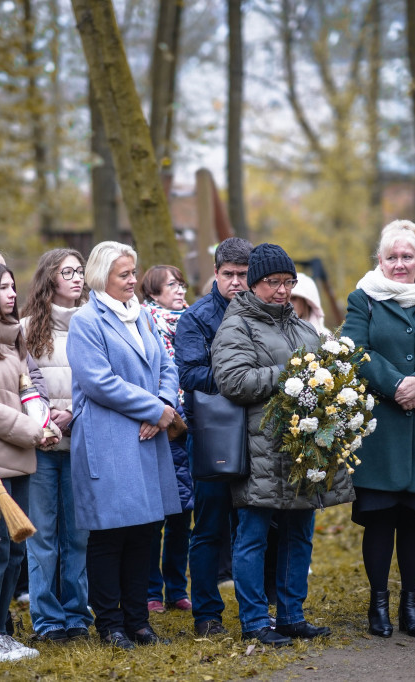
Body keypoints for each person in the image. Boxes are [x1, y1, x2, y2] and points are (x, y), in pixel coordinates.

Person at [211, 243, 354, 647]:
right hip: (261, 448)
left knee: (299, 533)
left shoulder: (303, 327)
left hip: (303, 449)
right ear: (254, 284)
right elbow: (232, 381)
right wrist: (288, 372)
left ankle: (291, 616)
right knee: (253, 535)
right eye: (273, 282)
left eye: (288, 282)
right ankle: (255, 620)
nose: (282, 290)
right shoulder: (236, 326)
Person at [339, 220, 415, 639]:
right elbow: (356, 348)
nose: (399, 264)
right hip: (381, 428)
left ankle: (411, 604)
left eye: (406, 256)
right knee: (379, 519)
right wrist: (396, 384)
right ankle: (378, 605)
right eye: (391, 257)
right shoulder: (363, 299)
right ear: (379, 260)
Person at [67, 241, 181, 650]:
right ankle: (110, 625)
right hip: (110, 437)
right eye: (124, 275)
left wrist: (165, 405)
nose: (133, 281)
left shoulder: (142, 318)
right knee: (110, 533)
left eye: (134, 273)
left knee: (145, 533)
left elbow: (166, 365)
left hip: (147, 438)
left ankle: (139, 622)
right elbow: (99, 382)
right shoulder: (86, 321)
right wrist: (153, 410)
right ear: (102, 277)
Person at [0, 261, 56, 663]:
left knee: (14, 554)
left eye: (13, 286)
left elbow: (27, 391)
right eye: (3, 288)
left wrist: (44, 422)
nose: (13, 294)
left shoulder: (14, 338)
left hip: (22, 460)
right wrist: (33, 430)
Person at [173, 237, 252, 636]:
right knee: (208, 527)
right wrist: (241, 379)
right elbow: (189, 375)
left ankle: (255, 611)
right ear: (216, 274)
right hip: (211, 435)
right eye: (229, 275)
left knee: (253, 526)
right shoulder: (196, 318)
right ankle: (206, 613)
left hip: (257, 434)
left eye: (243, 275)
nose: (236, 283)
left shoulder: (265, 312)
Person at [20, 249, 92, 643]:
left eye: (80, 271)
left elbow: (100, 382)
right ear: (50, 277)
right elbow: (22, 383)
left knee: (77, 536)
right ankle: (47, 620)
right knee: (43, 536)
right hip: (42, 447)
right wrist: (47, 418)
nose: (77, 278)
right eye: (68, 272)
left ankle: (77, 616)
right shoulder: (26, 328)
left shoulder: (94, 324)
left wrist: (74, 414)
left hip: (80, 444)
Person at [139, 264, 194, 615]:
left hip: (191, 426)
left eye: (180, 283)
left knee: (183, 515)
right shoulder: (145, 324)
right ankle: (150, 591)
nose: (178, 289)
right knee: (155, 515)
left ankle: (177, 588)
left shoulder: (193, 321)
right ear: (154, 294)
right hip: (161, 425)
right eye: (170, 285)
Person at [290, 272, 330, 336]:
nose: (289, 303)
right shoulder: (278, 333)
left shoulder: (325, 337)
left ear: (307, 302)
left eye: (294, 298)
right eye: (286, 298)